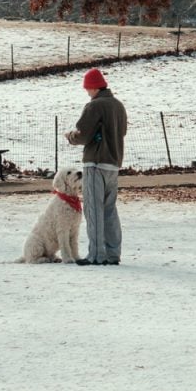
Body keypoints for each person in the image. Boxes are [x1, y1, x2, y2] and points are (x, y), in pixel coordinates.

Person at [65, 68, 128, 266]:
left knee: (93, 210)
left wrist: (71, 136)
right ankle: (113, 253)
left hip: (95, 162)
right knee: (109, 209)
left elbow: (83, 135)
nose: (87, 92)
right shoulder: (118, 105)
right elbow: (122, 132)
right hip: (113, 163)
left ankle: (96, 255)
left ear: (93, 87)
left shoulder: (94, 106)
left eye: (87, 88)